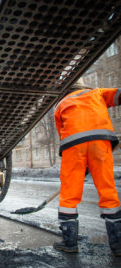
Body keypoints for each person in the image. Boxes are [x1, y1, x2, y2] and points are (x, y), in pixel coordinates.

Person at [53, 81, 121, 256]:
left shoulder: (61, 104)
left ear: (67, 90)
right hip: (100, 142)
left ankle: (69, 243)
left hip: (73, 146)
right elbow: (118, 94)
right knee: (108, 191)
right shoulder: (97, 93)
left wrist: (79, 165)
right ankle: (118, 244)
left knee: (69, 195)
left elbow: (62, 132)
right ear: (84, 88)